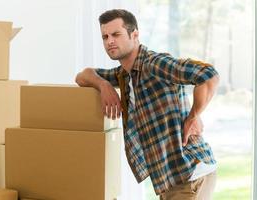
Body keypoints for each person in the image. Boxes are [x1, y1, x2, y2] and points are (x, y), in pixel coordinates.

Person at [75, 9, 219, 200]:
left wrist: (193, 116)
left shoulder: (155, 64)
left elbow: (208, 75)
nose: (110, 41)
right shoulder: (124, 75)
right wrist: (103, 85)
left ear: (134, 35)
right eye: (105, 36)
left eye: (116, 34)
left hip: (189, 172)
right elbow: (82, 76)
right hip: (172, 179)